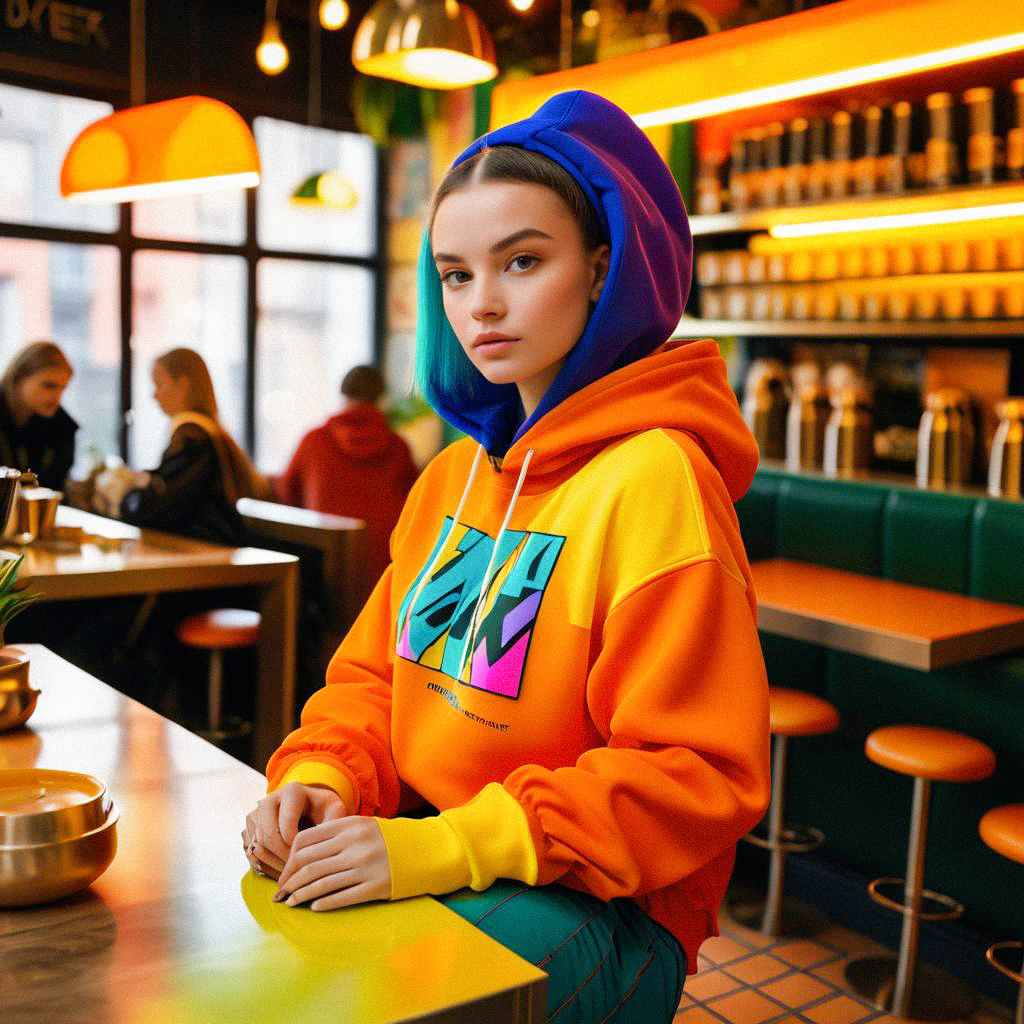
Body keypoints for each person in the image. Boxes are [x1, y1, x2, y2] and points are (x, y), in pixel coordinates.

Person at [242, 91, 770, 1024]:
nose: (480, 303)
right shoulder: (450, 478)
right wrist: (318, 778)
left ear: (601, 270)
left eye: (522, 261)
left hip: (596, 904)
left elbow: (695, 771)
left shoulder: (656, 477)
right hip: (427, 847)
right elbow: (373, 680)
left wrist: (442, 850)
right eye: (454, 275)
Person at [276, 364, 418, 584]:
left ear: (343, 394)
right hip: (385, 564)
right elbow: (416, 505)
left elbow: (286, 493)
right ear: (381, 397)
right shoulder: (398, 447)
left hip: (325, 559)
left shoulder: (313, 441)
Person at [119, 348, 270, 545]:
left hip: (210, 552)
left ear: (182, 384)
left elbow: (159, 507)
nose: (154, 396)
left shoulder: (193, 437)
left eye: (159, 384)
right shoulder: (209, 430)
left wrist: (129, 494)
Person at [0, 341, 77, 491]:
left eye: (63, 388)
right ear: (19, 378)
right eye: (49, 385)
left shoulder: (61, 427)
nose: (57, 397)